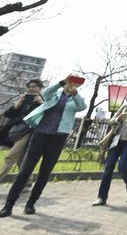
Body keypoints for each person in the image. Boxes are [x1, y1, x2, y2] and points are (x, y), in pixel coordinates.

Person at [0, 75, 86, 217]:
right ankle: (8, 205)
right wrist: (62, 82)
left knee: (44, 173)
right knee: (25, 171)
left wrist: (75, 92)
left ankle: (31, 204)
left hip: (58, 138)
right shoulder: (53, 95)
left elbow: (82, 106)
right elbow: (46, 93)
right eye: (68, 83)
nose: (70, 85)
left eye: (73, 84)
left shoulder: (75, 100)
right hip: (40, 135)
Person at [0, 79, 44, 182]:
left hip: (29, 132)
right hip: (16, 132)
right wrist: (18, 103)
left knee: (11, 156)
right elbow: (7, 114)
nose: (31, 89)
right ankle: (28, 183)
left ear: (40, 88)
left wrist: (41, 103)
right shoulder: (24, 101)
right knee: (21, 160)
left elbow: (49, 115)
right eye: (29, 87)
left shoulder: (44, 102)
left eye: (34, 86)